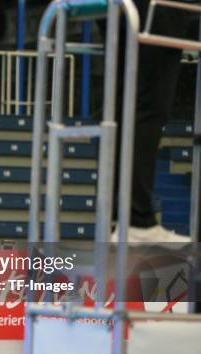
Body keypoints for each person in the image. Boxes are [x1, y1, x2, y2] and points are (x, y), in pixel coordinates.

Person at [107, 0, 195, 243]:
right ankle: (137, 220)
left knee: (125, 105)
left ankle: (122, 219)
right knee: (149, 105)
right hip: (153, 9)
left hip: (120, 9)